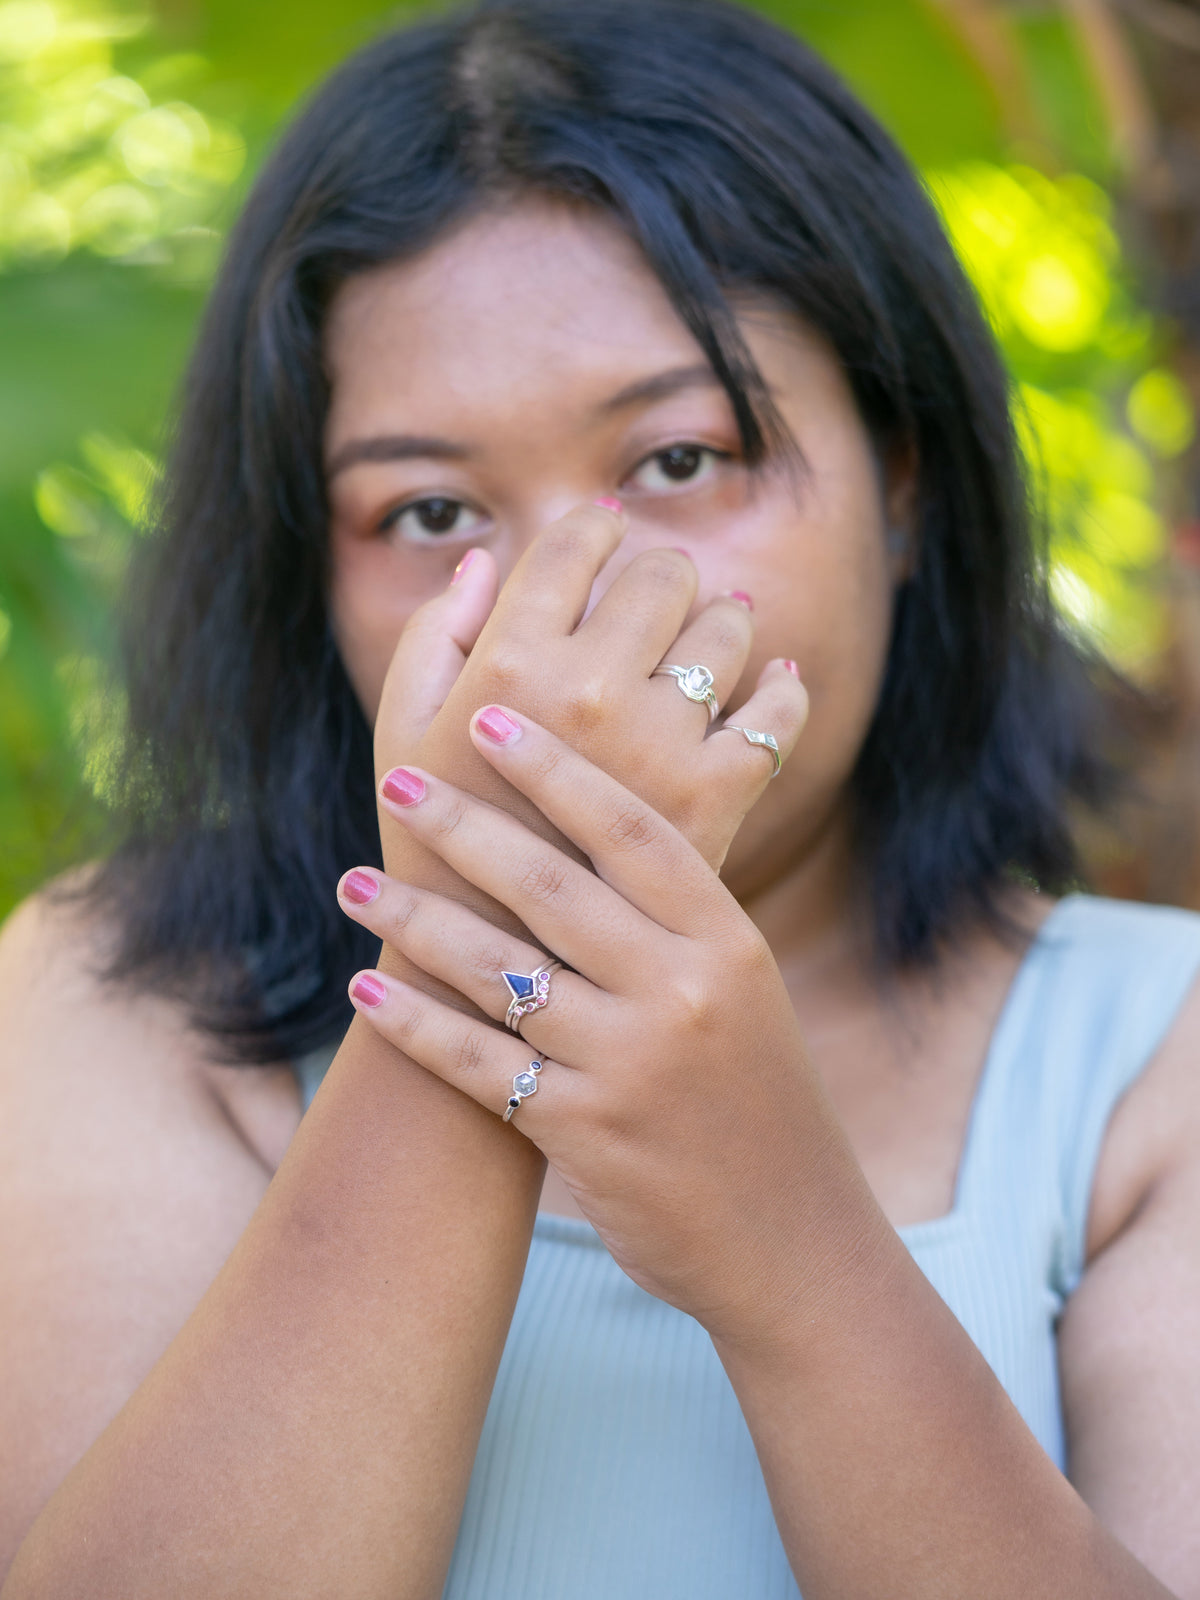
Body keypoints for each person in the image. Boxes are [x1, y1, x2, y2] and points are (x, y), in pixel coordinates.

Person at [1, 0, 1197, 1593]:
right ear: (312, 577)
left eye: (681, 463)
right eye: (428, 507)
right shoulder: (121, 1002)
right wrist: (482, 974)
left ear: (902, 486)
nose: (569, 597)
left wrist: (777, 1223)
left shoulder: (1150, 1063)